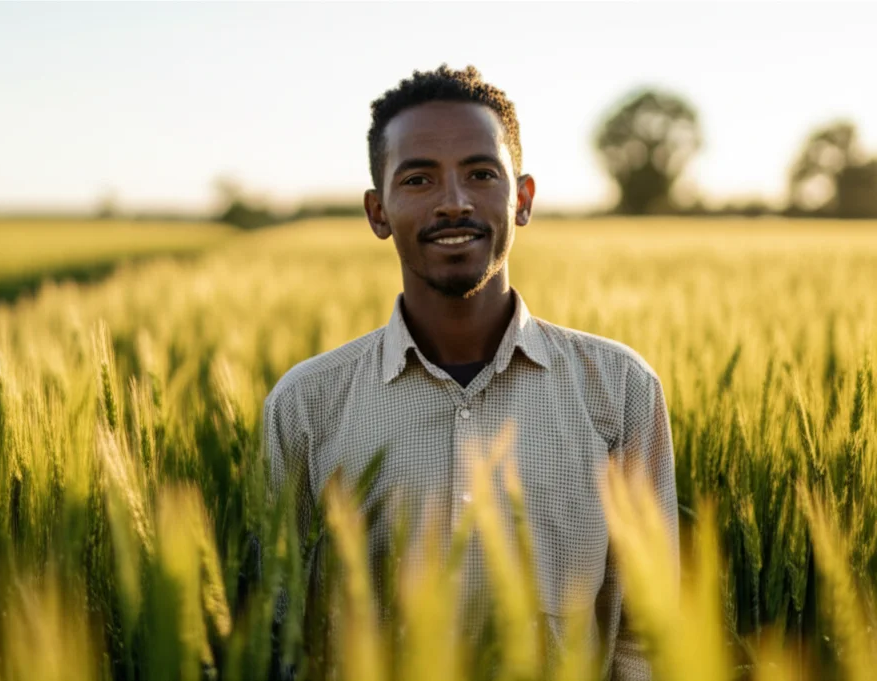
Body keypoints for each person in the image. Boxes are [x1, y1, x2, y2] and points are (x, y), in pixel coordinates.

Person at [262, 64, 678, 680]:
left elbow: (648, 634)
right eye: (419, 179)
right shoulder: (306, 405)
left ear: (523, 199)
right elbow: (282, 624)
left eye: (481, 174)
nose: (453, 202)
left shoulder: (619, 391)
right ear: (378, 212)